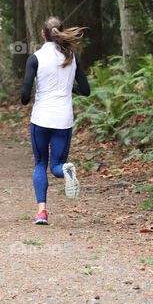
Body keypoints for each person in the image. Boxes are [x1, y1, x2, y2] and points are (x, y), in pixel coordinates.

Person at [20, 16, 90, 225]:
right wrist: (68, 88)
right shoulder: (72, 57)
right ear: (61, 32)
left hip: (41, 118)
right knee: (56, 165)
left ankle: (42, 212)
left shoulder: (35, 58)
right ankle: (66, 172)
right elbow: (85, 90)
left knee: (40, 163)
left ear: (42, 34)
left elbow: (24, 97)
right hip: (63, 119)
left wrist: (35, 89)